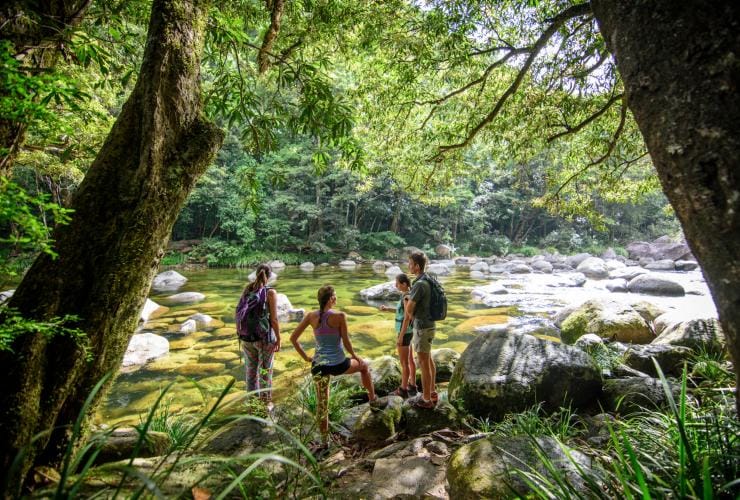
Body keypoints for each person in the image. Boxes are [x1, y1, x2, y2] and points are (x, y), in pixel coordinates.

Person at [290, 285, 378, 445]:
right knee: (364, 367)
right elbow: (346, 341)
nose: (336, 298)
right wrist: (355, 356)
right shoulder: (340, 316)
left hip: (319, 365)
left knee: (322, 403)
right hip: (339, 364)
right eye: (335, 296)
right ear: (330, 299)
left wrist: (306, 357)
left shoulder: (311, 316)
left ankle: (325, 441)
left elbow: (293, 338)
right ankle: (373, 399)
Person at [238, 264, 280, 406]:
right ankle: (266, 404)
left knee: (250, 372)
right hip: (264, 339)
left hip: (246, 338)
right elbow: (274, 319)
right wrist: (279, 338)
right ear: (269, 277)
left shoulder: (248, 289)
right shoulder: (270, 293)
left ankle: (252, 403)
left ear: (256, 274)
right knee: (265, 372)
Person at [406, 251, 438, 409]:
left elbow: (410, 308)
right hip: (431, 325)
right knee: (428, 360)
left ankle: (426, 400)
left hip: (422, 328)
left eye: (410, 263)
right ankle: (432, 392)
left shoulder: (419, 284)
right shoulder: (429, 279)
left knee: (423, 363)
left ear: (417, 266)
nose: (409, 266)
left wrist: (408, 312)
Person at [379, 273, 417, 398]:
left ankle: (403, 389)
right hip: (409, 331)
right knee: (410, 360)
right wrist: (388, 309)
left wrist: (400, 336)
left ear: (404, 284)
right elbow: (404, 312)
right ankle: (412, 385)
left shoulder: (406, 296)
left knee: (404, 363)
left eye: (397, 283)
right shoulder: (408, 295)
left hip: (404, 332)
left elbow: (406, 317)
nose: (396, 286)